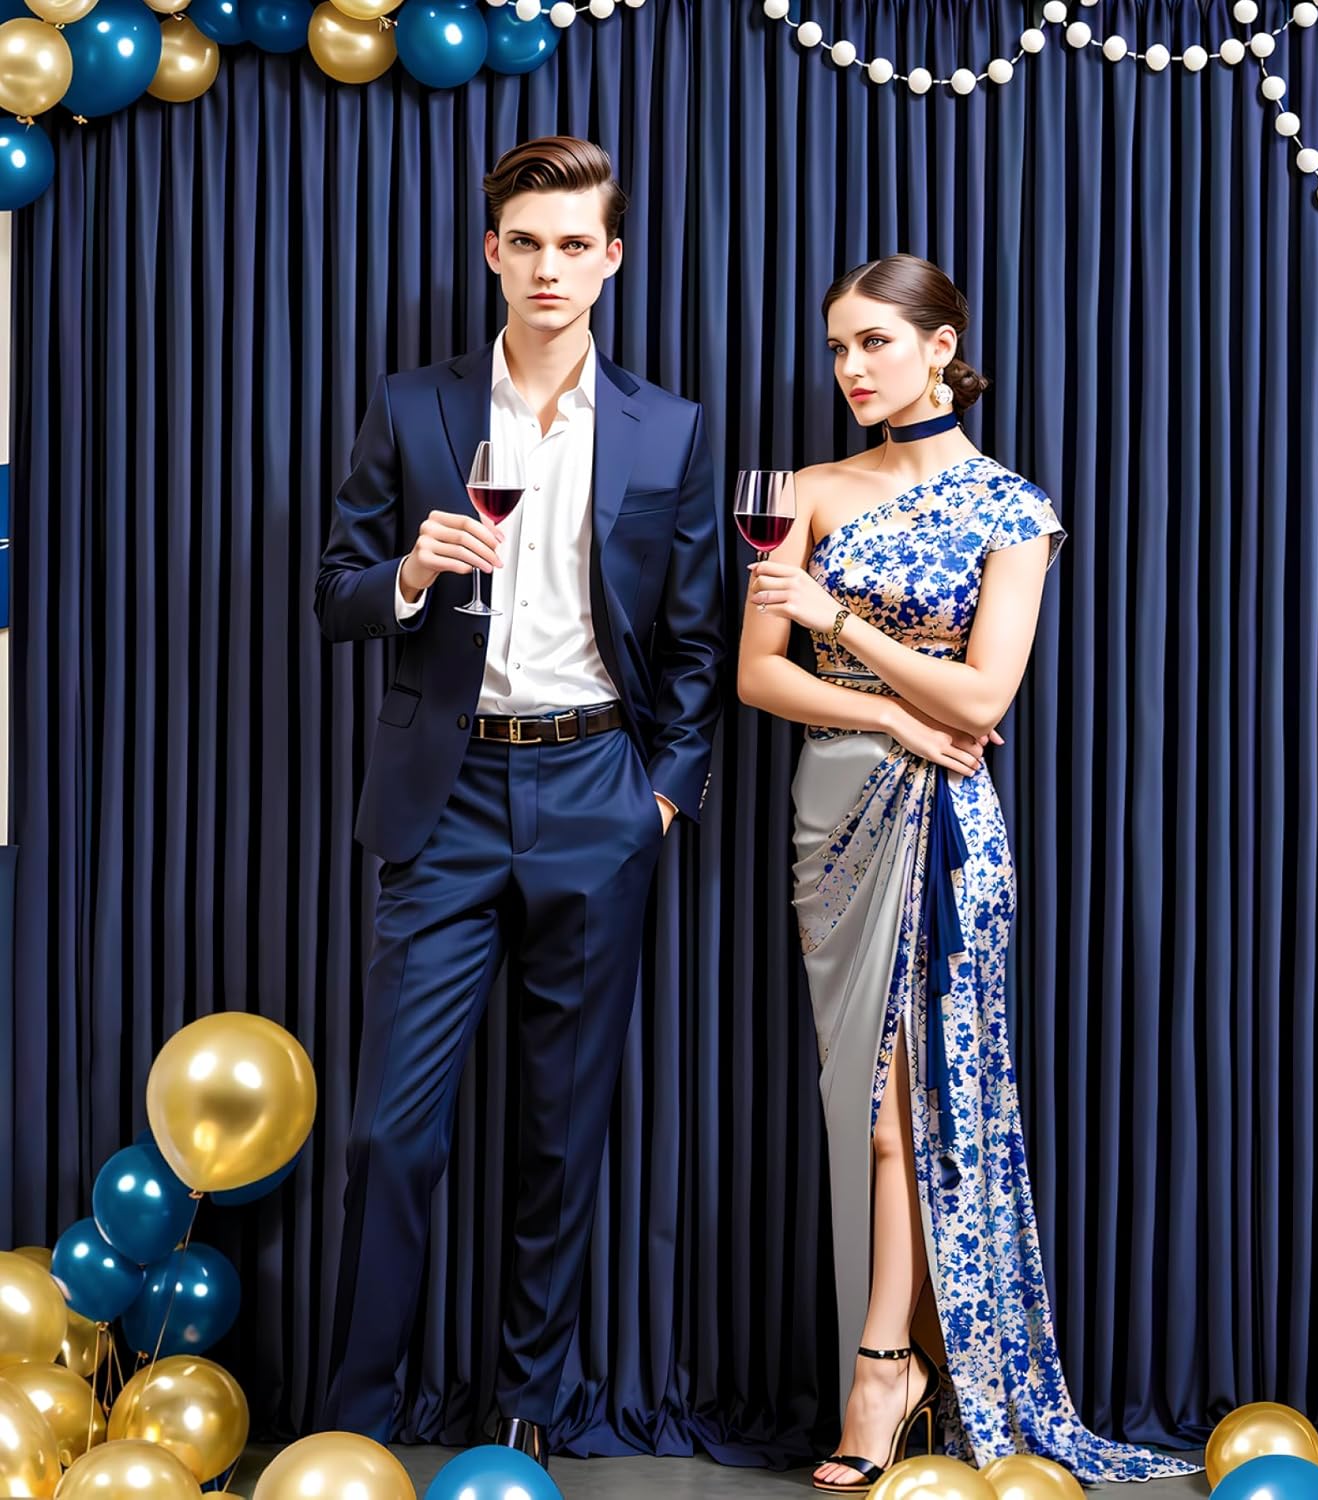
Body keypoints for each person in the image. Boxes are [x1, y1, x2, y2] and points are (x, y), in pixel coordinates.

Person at [738, 253, 1197, 1490]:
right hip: (832, 814)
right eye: (838, 348)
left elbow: (986, 699)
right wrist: (891, 712)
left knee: (905, 1117)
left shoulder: (1013, 510)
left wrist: (838, 624)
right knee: (859, 1108)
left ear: (942, 347)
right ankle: (925, 1356)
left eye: (875, 343)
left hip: (947, 827)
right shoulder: (807, 491)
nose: (851, 369)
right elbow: (757, 676)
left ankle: (883, 1371)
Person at [314, 136, 723, 1466]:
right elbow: (334, 595)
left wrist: (659, 800)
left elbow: (697, 643)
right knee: (391, 1135)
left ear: (611, 260)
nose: (550, 267)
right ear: (493, 253)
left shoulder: (669, 428)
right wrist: (409, 574)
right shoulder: (414, 406)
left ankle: (526, 1406)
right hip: (445, 798)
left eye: (574, 245)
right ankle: (355, 1419)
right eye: (527, 243)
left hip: (599, 791)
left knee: (561, 1130)